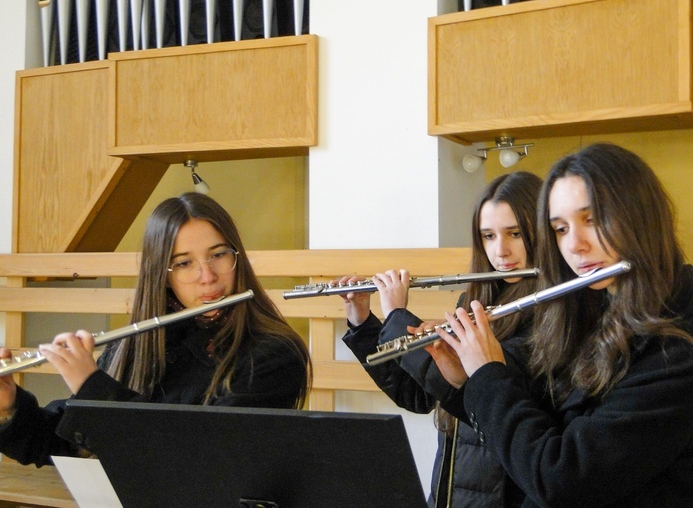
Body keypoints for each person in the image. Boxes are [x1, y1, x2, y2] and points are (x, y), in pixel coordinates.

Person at [428, 143, 693, 507]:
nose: (575, 245)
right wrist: (467, 382)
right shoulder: (591, 310)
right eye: (560, 228)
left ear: (640, 215)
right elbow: (538, 425)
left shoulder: (677, 344)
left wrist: (489, 376)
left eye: (592, 219)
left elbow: (563, 477)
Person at [0, 192, 312, 467]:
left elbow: (200, 458)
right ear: (162, 276)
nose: (207, 276)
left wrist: (93, 385)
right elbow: (65, 446)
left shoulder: (273, 355)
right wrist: (9, 407)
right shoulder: (137, 346)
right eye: (184, 263)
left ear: (236, 257)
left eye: (218, 255)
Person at [340, 171, 543, 507]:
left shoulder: (547, 312)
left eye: (515, 234)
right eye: (488, 236)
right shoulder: (473, 303)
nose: (501, 251)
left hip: (501, 494)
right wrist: (363, 322)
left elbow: (469, 389)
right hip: (452, 489)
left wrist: (397, 317)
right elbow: (420, 395)